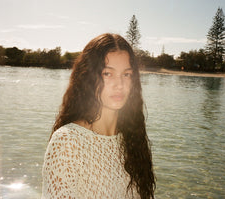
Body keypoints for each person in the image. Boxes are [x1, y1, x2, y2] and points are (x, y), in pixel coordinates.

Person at [42, 33, 155, 199]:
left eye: (126, 74)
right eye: (107, 74)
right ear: (89, 77)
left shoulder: (133, 139)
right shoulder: (67, 142)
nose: (120, 85)